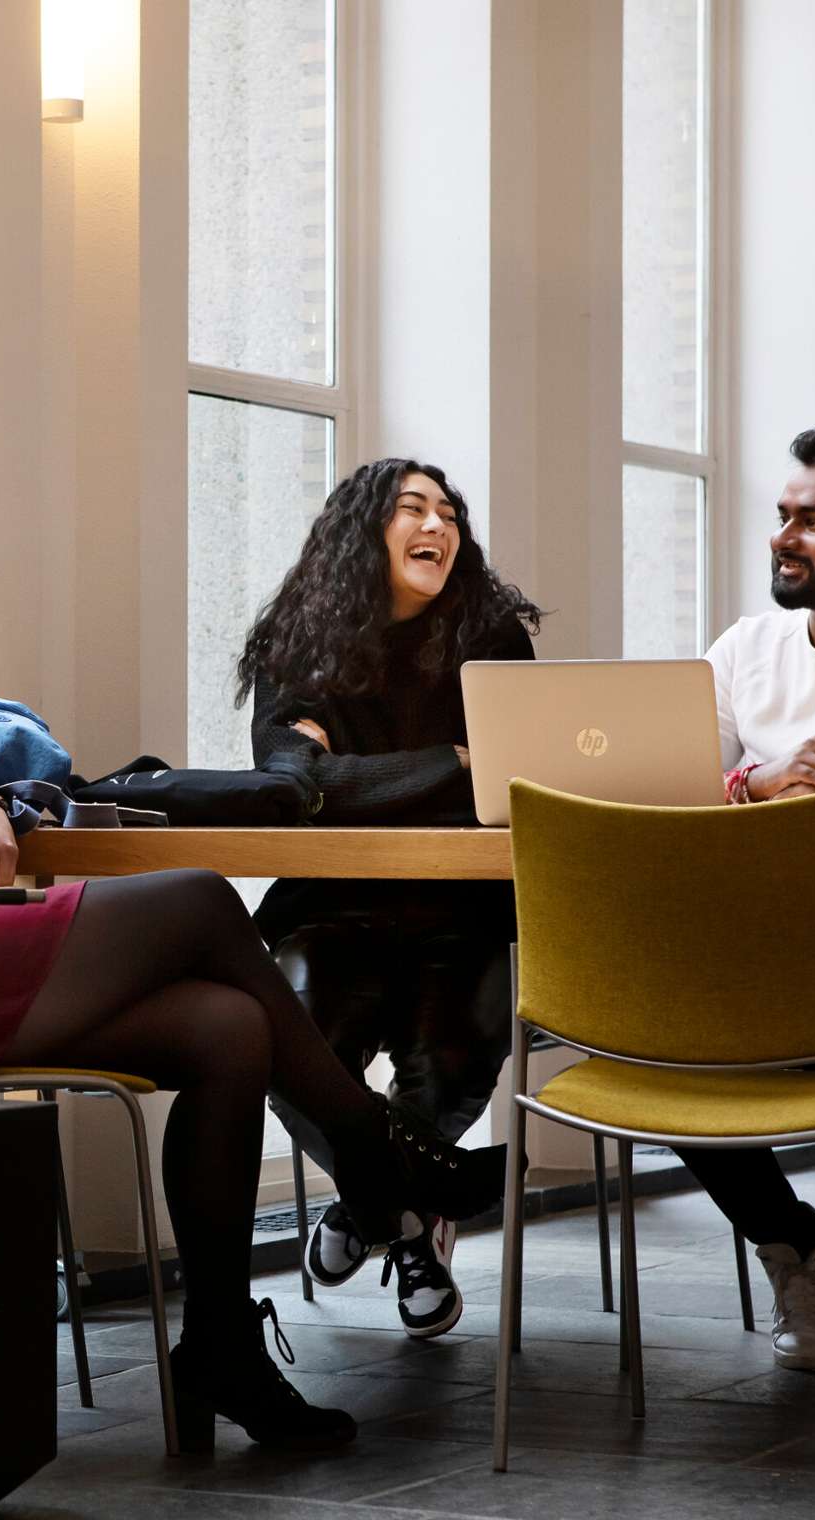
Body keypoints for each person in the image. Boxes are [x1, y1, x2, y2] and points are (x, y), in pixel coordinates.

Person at [0, 452, 506, 1452]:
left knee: (227, 1025)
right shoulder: (306, 648)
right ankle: (382, 1169)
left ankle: (222, 1344)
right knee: (198, 900)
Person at [237, 457, 539, 1338]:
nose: (437, 526)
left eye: (449, 512)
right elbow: (291, 781)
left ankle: (365, 1210)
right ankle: (413, 1218)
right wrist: (452, 765)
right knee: (286, 1045)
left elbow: (518, 779)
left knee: (451, 1065)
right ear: (360, 532)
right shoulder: (299, 639)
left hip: (468, 910)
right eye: (412, 509)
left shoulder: (494, 639)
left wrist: (351, 775)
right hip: (332, 906)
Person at [677, 423, 815, 1373]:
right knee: (656, 1026)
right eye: (784, 516)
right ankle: (791, 1250)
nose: (786, 536)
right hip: (747, 967)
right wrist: (756, 782)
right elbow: (658, 787)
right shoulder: (748, 647)